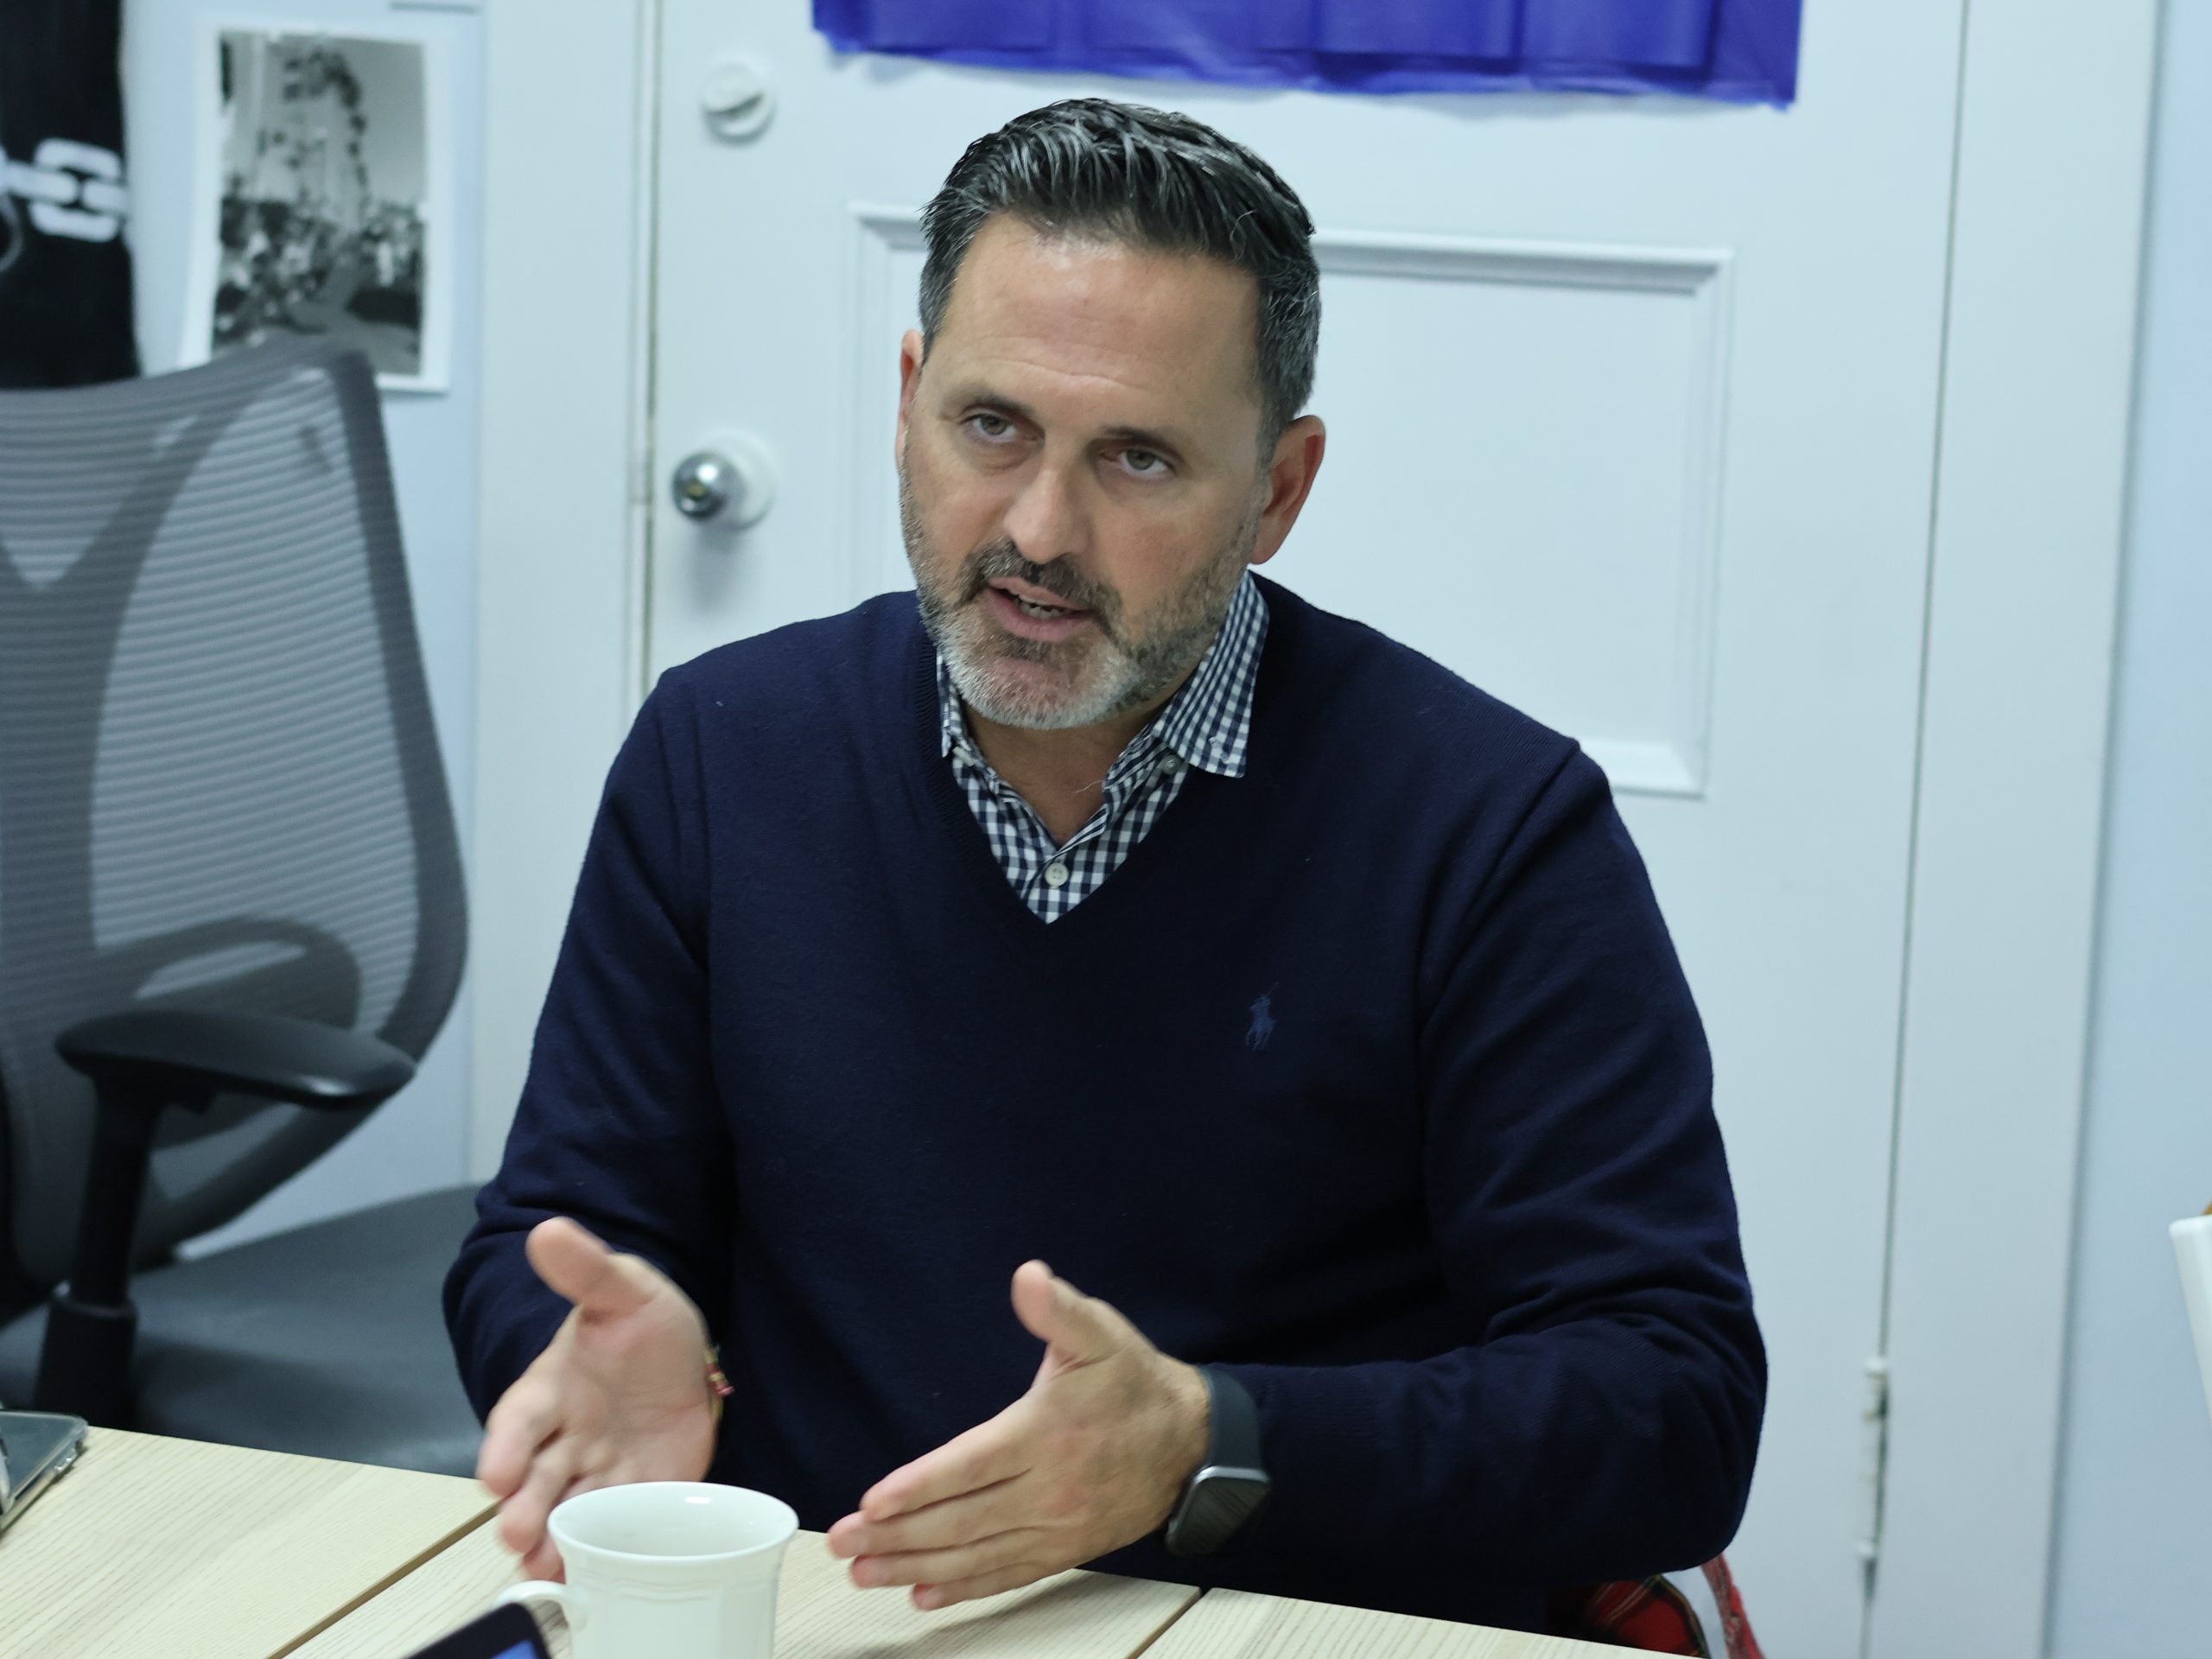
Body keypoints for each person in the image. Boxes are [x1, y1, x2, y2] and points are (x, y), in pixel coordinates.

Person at [446, 98, 1764, 1637]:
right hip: (843, 1615)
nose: (1040, 530)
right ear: (907, 401)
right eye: (990, 426)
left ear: (1278, 492)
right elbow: (553, 1241)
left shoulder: (1487, 825)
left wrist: (1207, 1444)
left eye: (1138, 458)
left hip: (1292, 1624)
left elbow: (1670, 1404)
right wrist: (594, 1348)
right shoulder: (725, 752)